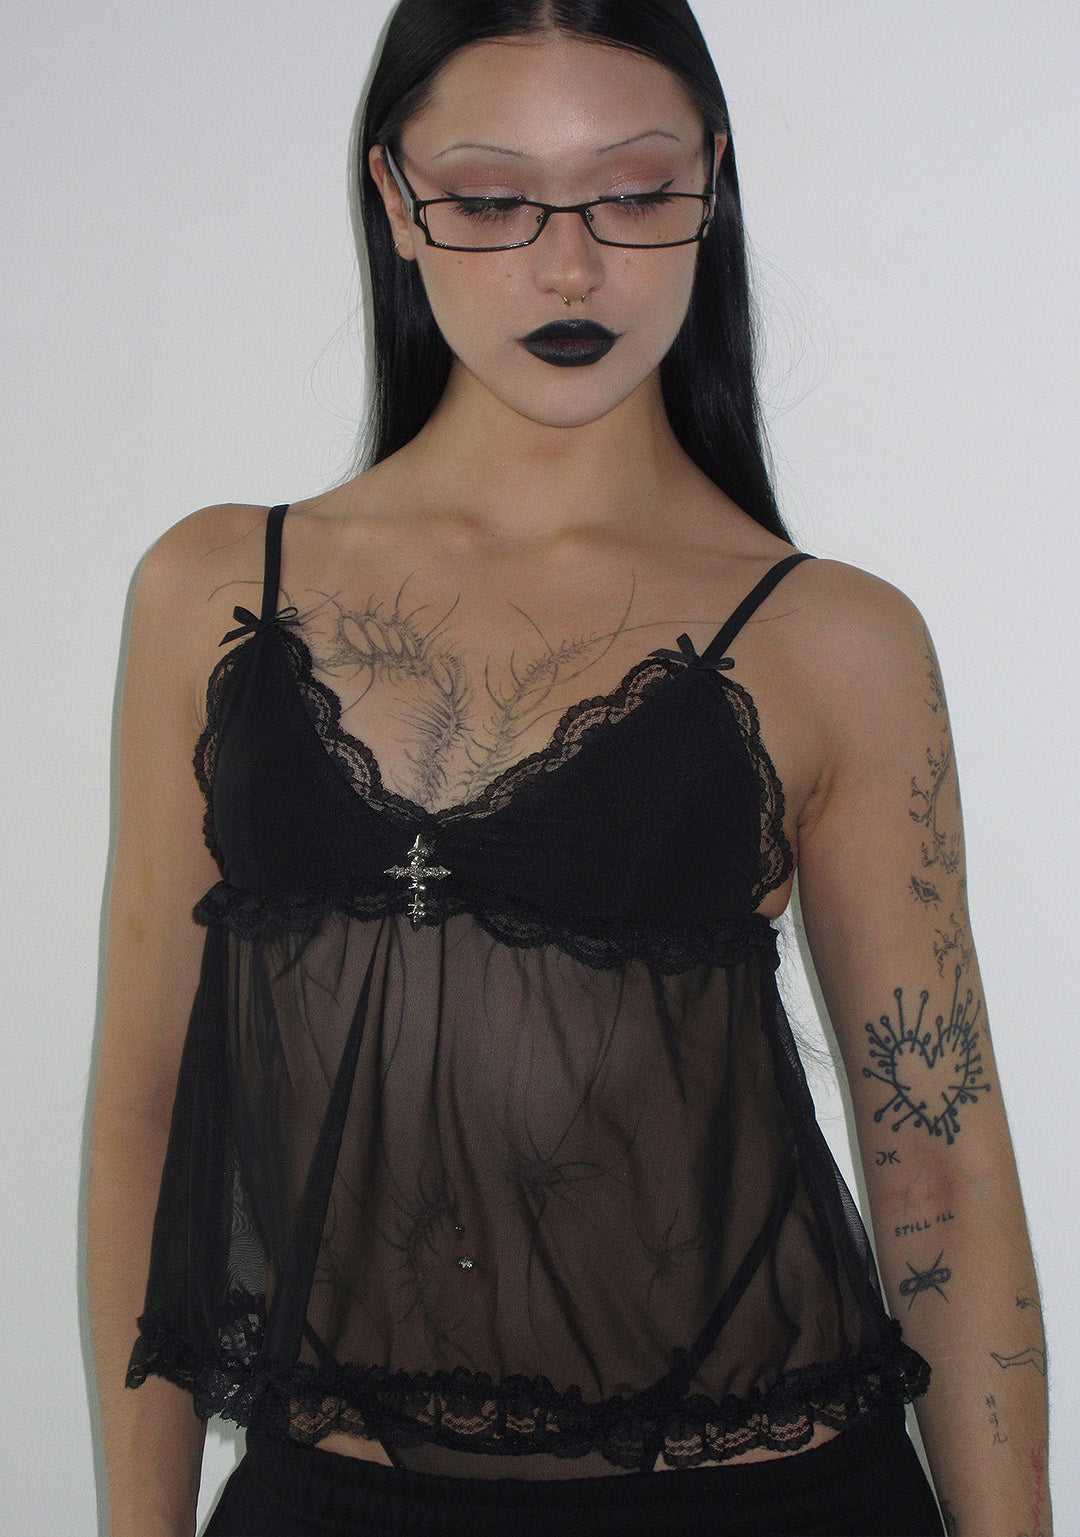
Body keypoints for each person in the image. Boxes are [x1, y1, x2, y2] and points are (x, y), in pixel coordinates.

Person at [87, 1, 1051, 1534]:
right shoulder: (213, 588)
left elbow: (936, 1161)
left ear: (712, 183)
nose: (570, 265)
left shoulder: (836, 641)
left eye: (635, 190)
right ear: (394, 196)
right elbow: (146, 1103)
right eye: (489, 200)